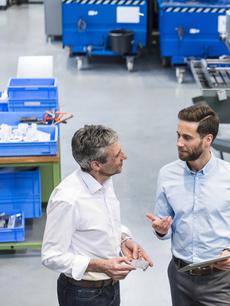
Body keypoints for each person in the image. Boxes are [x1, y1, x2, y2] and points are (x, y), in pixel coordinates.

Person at [146, 105, 230, 306]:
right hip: (179, 275)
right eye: (178, 135)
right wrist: (161, 230)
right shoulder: (167, 174)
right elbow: (163, 225)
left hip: (218, 281)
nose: (179, 143)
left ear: (208, 140)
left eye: (187, 138)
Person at [41, 125, 153, 306]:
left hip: (110, 287)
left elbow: (103, 222)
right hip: (83, 294)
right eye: (117, 155)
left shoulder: (104, 180)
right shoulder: (68, 199)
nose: (124, 156)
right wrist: (101, 266)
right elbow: (51, 256)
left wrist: (123, 239)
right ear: (96, 165)